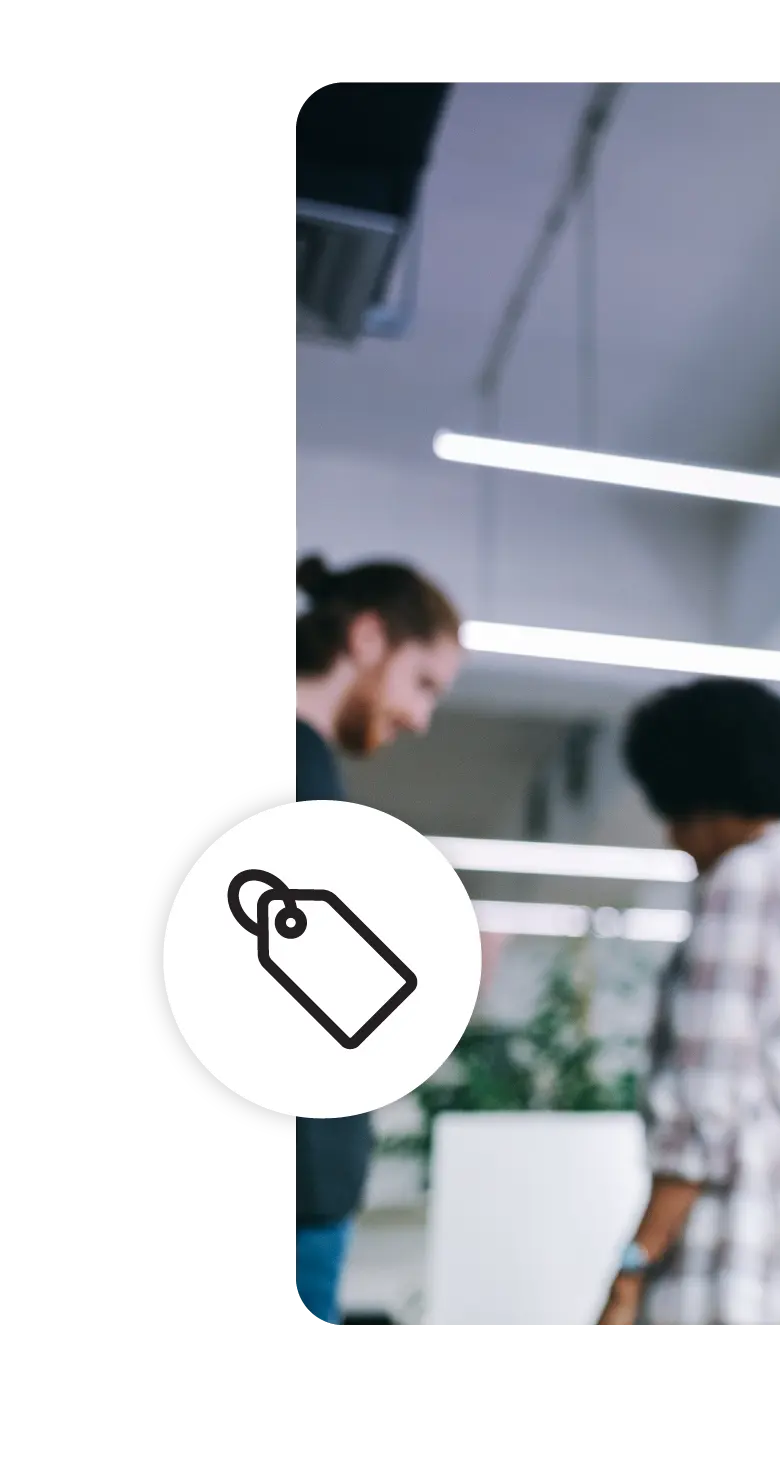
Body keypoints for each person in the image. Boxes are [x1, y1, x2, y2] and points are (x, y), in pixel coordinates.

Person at [596, 678, 780, 1328]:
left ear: (705, 794)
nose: (674, 839)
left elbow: (700, 1109)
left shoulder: (746, 881)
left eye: (678, 813)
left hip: (739, 1263)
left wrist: (629, 1275)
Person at [293, 553, 465, 1325]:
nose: (422, 719)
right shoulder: (294, 768)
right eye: (422, 682)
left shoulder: (308, 767)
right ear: (366, 637)